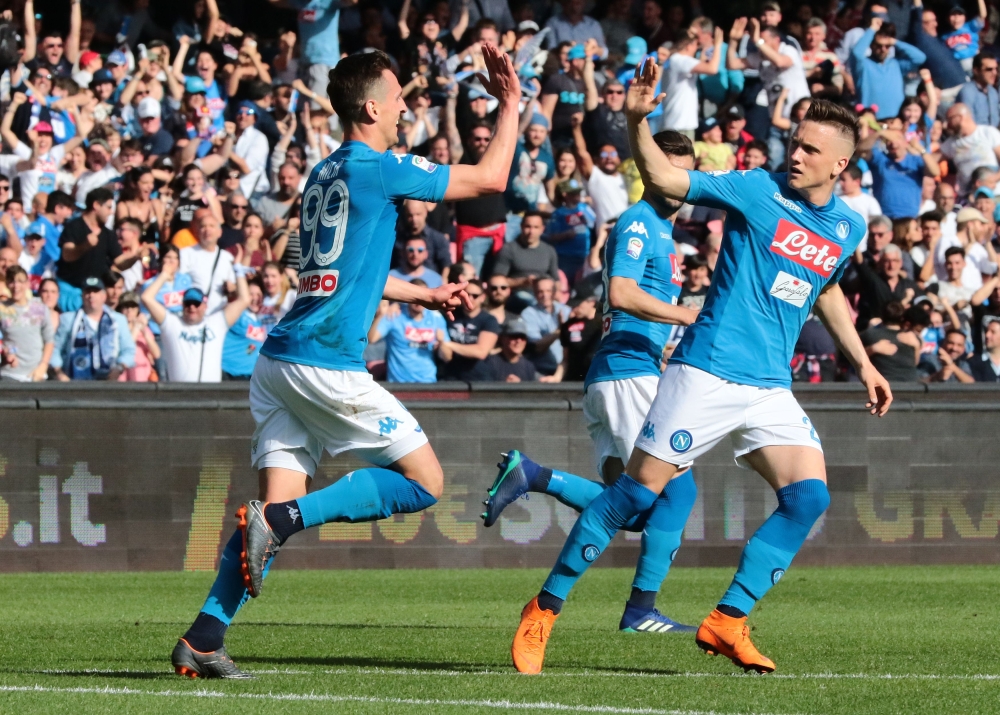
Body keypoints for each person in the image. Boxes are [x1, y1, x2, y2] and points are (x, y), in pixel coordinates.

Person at [508, 64, 890, 676]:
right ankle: (543, 610)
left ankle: (728, 619)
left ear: (839, 166)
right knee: (635, 494)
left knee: (809, 497)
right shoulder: (755, 190)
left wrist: (865, 362)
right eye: (794, 141)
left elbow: (827, 291)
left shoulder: (847, 227)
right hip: (705, 371)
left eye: (810, 149)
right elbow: (662, 173)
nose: (795, 154)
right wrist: (637, 118)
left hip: (769, 388)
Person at [170, 46, 522, 678]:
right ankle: (280, 519)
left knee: (266, 528)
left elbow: (337, 271)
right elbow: (490, 179)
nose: (406, 106)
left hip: (278, 363)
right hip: (326, 363)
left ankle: (202, 639)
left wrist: (426, 293)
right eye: (397, 97)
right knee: (425, 484)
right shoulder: (380, 167)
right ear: (371, 108)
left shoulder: (324, 172)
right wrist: (513, 103)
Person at [489, 131, 704, 640]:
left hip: (620, 372)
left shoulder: (663, 233)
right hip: (627, 375)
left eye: (685, 173)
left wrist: (666, 342)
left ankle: (535, 477)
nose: (677, 183)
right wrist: (686, 316)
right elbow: (625, 293)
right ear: (647, 172)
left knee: (629, 508)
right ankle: (640, 609)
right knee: (678, 490)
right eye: (665, 170)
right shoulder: (638, 222)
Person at [143, 259, 251, 384]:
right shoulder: (172, 324)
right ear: (182, 305)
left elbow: (244, 299)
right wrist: (164, 276)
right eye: (188, 303)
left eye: (196, 303)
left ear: (205, 306)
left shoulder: (217, 322)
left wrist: (238, 269)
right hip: (180, 396)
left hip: (211, 396)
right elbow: (147, 298)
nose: (192, 307)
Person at [56, 188, 130, 313]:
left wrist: (136, 256)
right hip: (70, 292)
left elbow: (120, 263)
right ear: (96, 205)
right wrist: (85, 245)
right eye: (108, 207)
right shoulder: (73, 227)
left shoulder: (108, 234)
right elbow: (67, 255)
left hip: (96, 295)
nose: (111, 212)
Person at [51, 275, 136, 381]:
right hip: (74, 383)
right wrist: (59, 373)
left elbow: (128, 350)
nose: (91, 295)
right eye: (88, 292)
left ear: (104, 296)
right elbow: (55, 348)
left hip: (108, 383)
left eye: (95, 291)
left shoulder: (118, 320)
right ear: (82, 296)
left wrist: (119, 368)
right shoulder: (68, 319)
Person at [370, 281, 448, 384]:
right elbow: (371, 338)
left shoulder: (436, 318)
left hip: (428, 382)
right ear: (409, 297)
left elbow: (447, 357)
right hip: (398, 383)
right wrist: (381, 315)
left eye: (423, 297)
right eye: (416, 297)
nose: (419, 301)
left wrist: (442, 342)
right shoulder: (394, 314)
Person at [851, 16, 927, 120]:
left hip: (897, 120)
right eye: (878, 46)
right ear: (871, 45)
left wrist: (894, 42)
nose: (883, 49)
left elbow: (920, 58)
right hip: (871, 120)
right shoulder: (863, 65)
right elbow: (857, 53)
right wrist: (872, 29)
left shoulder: (896, 64)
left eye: (887, 46)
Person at [659, 28, 722, 137]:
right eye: (695, 44)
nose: (696, 48)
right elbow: (712, 69)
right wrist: (718, 45)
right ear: (688, 45)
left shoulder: (675, 60)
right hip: (679, 125)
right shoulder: (680, 60)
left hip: (676, 122)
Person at [0, 265, 54, 382]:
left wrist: (43, 366)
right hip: (10, 373)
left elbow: (49, 340)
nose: (16, 286)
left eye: (20, 281)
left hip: (36, 374)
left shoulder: (39, 307)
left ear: (27, 284)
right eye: (12, 281)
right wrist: (4, 353)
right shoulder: (2, 308)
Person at [179, 210, 237, 314]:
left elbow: (232, 286)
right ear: (197, 231)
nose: (207, 230)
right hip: (193, 313)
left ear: (220, 232)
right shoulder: (185, 254)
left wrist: (231, 288)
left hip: (218, 315)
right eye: (203, 226)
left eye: (211, 226)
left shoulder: (227, 258)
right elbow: (179, 285)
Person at [441, 281, 501, 381]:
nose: (470, 298)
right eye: (467, 294)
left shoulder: (489, 320)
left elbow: (481, 352)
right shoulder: (449, 314)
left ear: (482, 297)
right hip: (449, 376)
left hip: (478, 379)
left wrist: (449, 345)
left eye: (475, 296)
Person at [936, 103, 1000, 194]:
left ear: (960, 117)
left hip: (994, 194)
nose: (947, 125)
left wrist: (994, 178)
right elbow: (933, 159)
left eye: (949, 119)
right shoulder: (951, 143)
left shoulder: (987, 133)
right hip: (968, 197)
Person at [544, 179, 596, 284]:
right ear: (565, 194)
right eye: (573, 193)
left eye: (578, 192)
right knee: (567, 284)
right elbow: (551, 236)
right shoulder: (558, 214)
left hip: (585, 255)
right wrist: (566, 235)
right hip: (566, 257)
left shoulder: (584, 208)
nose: (577, 195)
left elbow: (594, 223)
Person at [491, 211, 560, 289]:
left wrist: (557, 295)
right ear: (521, 227)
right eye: (527, 227)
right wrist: (522, 282)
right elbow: (497, 281)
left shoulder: (549, 250)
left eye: (536, 227)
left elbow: (556, 280)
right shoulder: (508, 249)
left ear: (542, 229)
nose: (531, 232)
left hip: (543, 294)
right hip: (518, 294)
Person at [519, 277, 570, 376]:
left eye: (548, 291)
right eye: (540, 291)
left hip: (565, 368)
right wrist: (560, 330)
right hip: (542, 370)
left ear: (554, 292)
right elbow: (538, 347)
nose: (545, 295)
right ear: (534, 293)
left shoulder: (566, 310)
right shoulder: (528, 314)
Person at [861, 300, 922, 382]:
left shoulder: (870, 335)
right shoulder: (912, 337)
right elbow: (915, 363)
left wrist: (872, 349)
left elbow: (856, 358)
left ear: (882, 316)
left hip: (884, 385)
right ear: (902, 318)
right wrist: (917, 346)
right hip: (911, 385)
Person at [221, 279, 268, 381]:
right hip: (226, 371)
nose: (255, 298)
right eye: (251, 294)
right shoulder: (238, 314)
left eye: (258, 294)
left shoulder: (263, 320)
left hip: (247, 375)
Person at [393, 200, 451, 275]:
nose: (414, 219)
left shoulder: (438, 238)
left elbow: (446, 264)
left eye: (418, 214)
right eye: (410, 215)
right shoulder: (397, 238)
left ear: (426, 212)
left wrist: (443, 280)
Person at [116, 291, 160, 383]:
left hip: (142, 375)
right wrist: (136, 329)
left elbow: (156, 354)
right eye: (126, 307)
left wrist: (144, 331)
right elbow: (126, 347)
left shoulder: (145, 329)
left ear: (138, 309)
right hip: (123, 376)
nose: (129, 310)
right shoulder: (116, 328)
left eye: (133, 307)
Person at [477, 317, 538, 381]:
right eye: (514, 336)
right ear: (503, 339)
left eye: (522, 337)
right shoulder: (490, 363)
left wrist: (520, 386)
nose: (518, 341)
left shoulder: (528, 367)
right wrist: (505, 386)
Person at [942, 0, 987, 74]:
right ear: (947, 18)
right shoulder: (944, 36)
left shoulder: (970, 26)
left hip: (974, 63)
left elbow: (982, 15)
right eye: (953, 15)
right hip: (957, 68)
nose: (956, 18)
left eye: (960, 14)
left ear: (965, 17)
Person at [956, 53, 1000, 128]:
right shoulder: (967, 92)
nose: (994, 73)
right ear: (976, 71)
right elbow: (968, 124)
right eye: (989, 69)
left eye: (996, 69)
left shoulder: (993, 92)